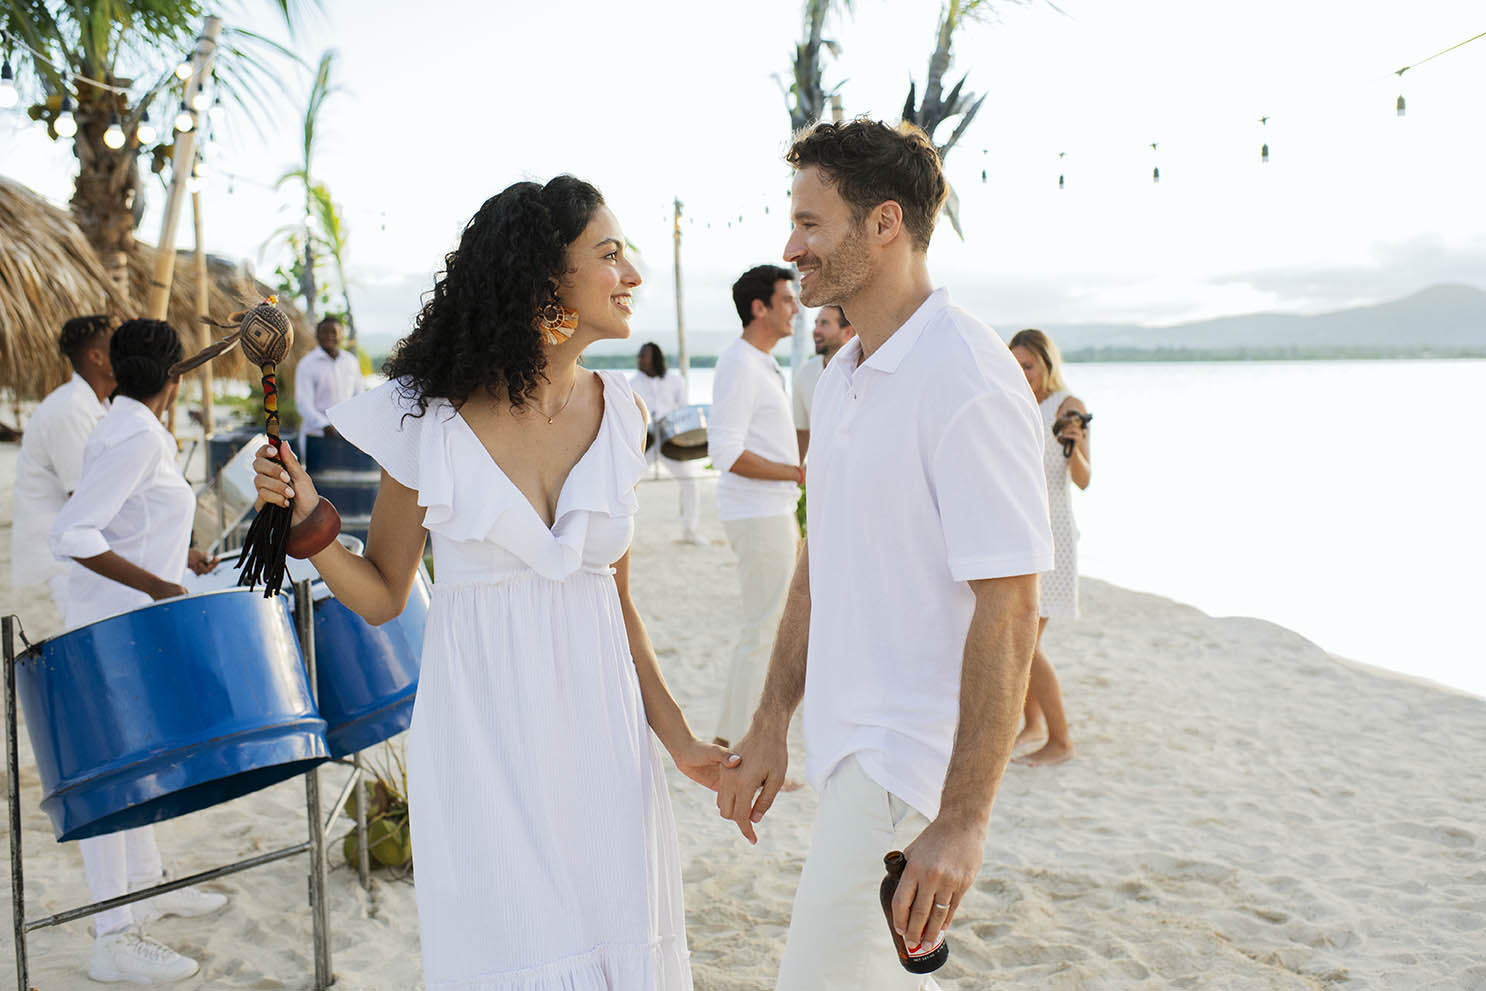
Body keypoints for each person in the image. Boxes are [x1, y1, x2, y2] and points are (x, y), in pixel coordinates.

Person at [251, 176, 735, 991]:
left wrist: (681, 740)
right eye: (609, 254)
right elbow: (383, 594)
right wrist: (309, 518)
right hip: (484, 745)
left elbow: (618, 604)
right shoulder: (428, 420)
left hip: (605, 745)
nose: (631, 275)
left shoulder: (624, 414)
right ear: (547, 279)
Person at [716, 120, 1053, 991]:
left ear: (885, 223)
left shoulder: (968, 376)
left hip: (909, 765)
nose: (791, 247)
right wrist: (771, 717)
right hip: (847, 746)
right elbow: (818, 557)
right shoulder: (842, 377)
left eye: (811, 223)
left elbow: (1012, 604)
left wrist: (964, 819)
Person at [49, 318, 226, 984]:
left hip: (123, 622)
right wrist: (156, 584)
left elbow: (127, 518)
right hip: (111, 629)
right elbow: (74, 532)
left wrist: (180, 553)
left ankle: (148, 885)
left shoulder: (125, 423)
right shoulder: (138, 435)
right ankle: (114, 936)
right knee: (112, 776)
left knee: (137, 761)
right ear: (174, 378)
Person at [707, 263, 803, 748]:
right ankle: (744, 746)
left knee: (768, 628)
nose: (796, 308)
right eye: (787, 299)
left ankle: (732, 738)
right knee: (765, 630)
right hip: (757, 513)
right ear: (759, 308)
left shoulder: (763, 363)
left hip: (773, 510)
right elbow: (725, 452)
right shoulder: (739, 363)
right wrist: (796, 473)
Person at [1008, 328, 1091, 767]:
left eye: (1028, 366)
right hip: (1018, 531)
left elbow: (1083, 479)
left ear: (1046, 364)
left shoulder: (1066, 406)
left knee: (1024, 642)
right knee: (1019, 639)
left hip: (1053, 533)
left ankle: (1061, 740)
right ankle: (1033, 724)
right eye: (1015, 365)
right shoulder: (1014, 402)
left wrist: (1074, 445)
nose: (1022, 373)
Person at [11, 315, 114, 617]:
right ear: (96, 357)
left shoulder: (99, 406)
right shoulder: (69, 410)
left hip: (76, 561)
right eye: (118, 346)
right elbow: (87, 501)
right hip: (58, 569)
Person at [630, 341, 703, 544]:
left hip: (671, 441)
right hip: (646, 442)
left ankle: (689, 531)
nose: (639, 359)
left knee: (690, 483)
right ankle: (624, 535)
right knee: (627, 484)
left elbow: (684, 409)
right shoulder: (632, 383)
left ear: (654, 358)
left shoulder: (675, 380)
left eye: (643, 355)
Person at [792, 304, 855, 459]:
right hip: (821, 469)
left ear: (847, 332)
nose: (816, 330)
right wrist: (796, 471)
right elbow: (802, 432)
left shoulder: (862, 372)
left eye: (824, 324)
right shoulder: (805, 373)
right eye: (816, 323)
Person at [293, 316, 364, 448]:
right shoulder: (307, 364)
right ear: (317, 335)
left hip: (347, 436)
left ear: (341, 335)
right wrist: (325, 425)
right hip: (317, 437)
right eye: (324, 332)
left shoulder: (351, 361)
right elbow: (303, 404)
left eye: (334, 332)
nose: (329, 336)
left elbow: (359, 396)